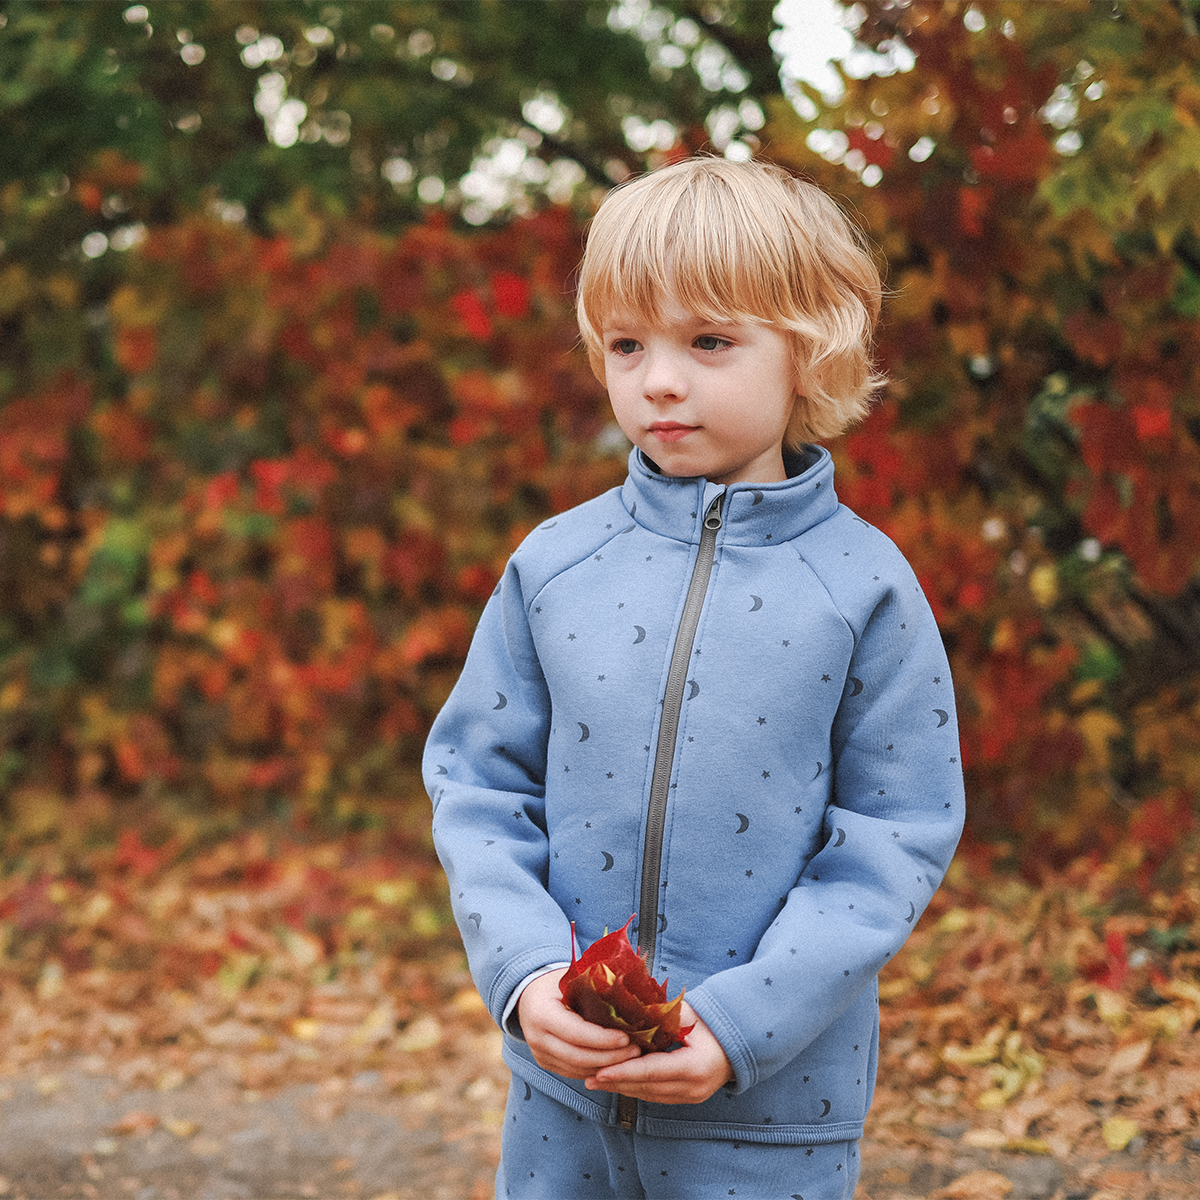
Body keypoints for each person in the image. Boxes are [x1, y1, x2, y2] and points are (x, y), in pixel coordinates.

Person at [423, 156, 964, 1200]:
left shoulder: (865, 589)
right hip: (562, 1109)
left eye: (709, 341)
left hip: (767, 1121)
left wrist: (738, 1023)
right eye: (628, 344)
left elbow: (895, 837)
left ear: (811, 352)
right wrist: (526, 974)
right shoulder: (554, 566)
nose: (658, 379)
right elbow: (479, 788)